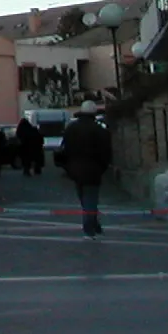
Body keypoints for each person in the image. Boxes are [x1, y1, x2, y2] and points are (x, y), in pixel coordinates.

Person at [60, 100, 113, 238]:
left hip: (75, 169)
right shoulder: (100, 131)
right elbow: (106, 153)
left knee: (84, 198)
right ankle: (90, 228)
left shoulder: (71, 129)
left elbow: (64, 150)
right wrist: (102, 167)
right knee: (90, 199)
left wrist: (68, 168)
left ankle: (94, 225)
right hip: (93, 170)